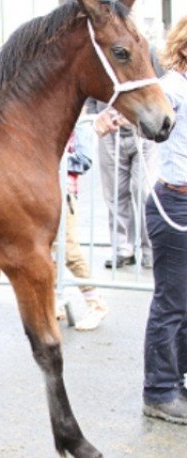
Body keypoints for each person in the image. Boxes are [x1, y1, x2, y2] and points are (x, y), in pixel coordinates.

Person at [141, 16, 187, 424]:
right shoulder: (171, 89)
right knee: (172, 302)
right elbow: (151, 126)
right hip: (175, 203)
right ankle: (159, 391)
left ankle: (177, 382)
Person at [86, 49, 164, 270]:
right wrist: (94, 113)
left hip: (142, 131)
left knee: (143, 191)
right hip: (110, 131)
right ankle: (122, 248)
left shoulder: (146, 51)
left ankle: (149, 249)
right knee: (114, 193)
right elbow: (91, 87)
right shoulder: (101, 53)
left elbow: (159, 85)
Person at [57, 114, 108, 331]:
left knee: (69, 251)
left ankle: (96, 303)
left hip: (64, 194)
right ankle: (53, 301)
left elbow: (84, 161)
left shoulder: (80, 125)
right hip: (43, 195)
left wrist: (52, 158)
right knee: (48, 251)